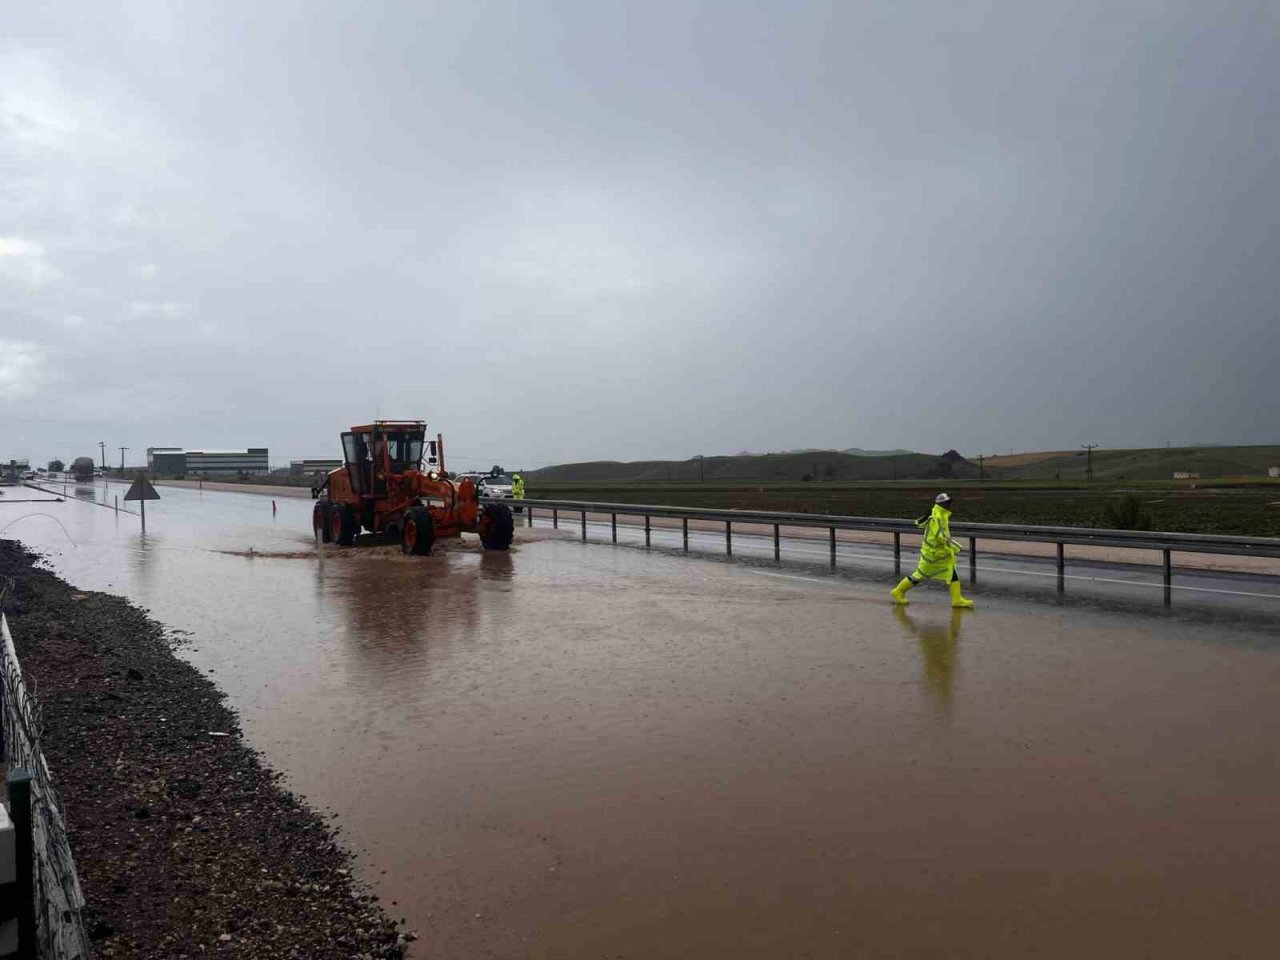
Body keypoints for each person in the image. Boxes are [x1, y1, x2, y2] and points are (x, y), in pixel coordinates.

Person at [891, 492, 974, 608]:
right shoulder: (937, 517)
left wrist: (950, 546)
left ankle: (957, 600)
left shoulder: (939, 514)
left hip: (938, 553)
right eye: (949, 503)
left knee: (951, 572)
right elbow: (940, 536)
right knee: (919, 575)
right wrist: (953, 545)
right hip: (932, 554)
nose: (951, 505)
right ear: (944, 504)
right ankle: (898, 591)